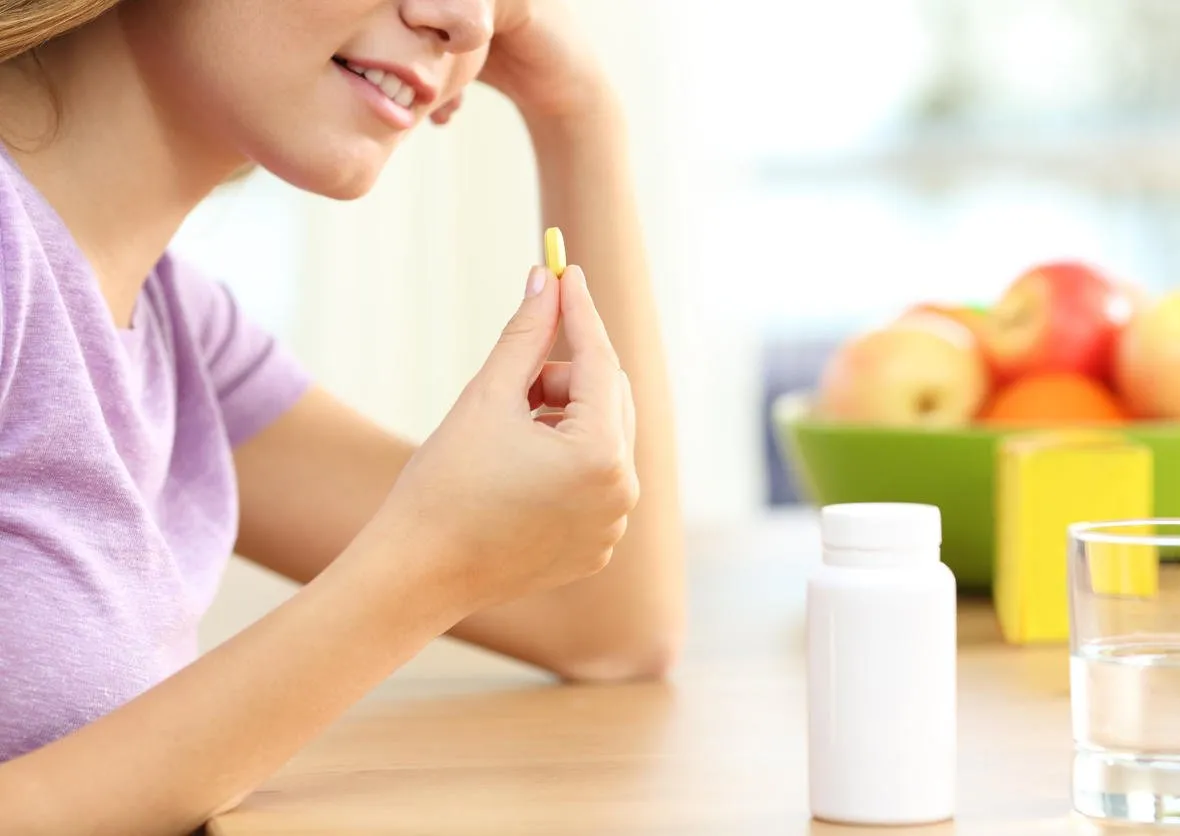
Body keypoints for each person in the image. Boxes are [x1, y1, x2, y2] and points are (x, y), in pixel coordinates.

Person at [0, 0, 685, 831]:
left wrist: (574, 112)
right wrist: (428, 564)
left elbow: (603, 624)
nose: (467, 23)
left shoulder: (177, 329)